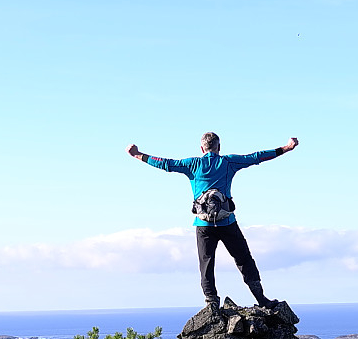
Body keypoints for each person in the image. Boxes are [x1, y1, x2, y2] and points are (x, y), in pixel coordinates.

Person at [127, 132, 299, 308]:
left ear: (202, 148)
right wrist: (286, 148)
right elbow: (256, 157)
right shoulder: (228, 162)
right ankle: (261, 299)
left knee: (206, 264)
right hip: (227, 223)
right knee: (244, 260)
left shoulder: (192, 164)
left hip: (203, 225)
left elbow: (165, 164)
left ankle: (211, 302)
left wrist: (137, 155)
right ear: (219, 147)